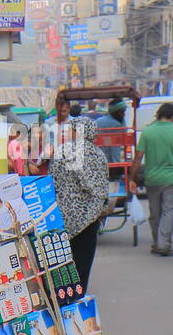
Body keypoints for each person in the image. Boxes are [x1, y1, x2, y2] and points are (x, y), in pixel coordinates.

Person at [48, 114, 111, 288]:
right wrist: (101, 207)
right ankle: (77, 300)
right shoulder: (97, 154)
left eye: (72, 130)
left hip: (63, 215)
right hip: (89, 217)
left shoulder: (66, 151)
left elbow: (53, 181)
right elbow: (97, 186)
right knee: (83, 263)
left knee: (64, 263)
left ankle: (65, 298)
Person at [133, 102, 173, 256]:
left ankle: (157, 243)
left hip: (152, 179)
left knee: (155, 212)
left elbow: (138, 157)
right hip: (171, 178)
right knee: (169, 211)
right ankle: (163, 244)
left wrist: (132, 178)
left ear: (158, 115)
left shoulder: (147, 132)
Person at [96, 98, 128, 165]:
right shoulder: (116, 124)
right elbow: (115, 149)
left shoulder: (98, 120)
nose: (123, 114)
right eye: (122, 112)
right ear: (115, 112)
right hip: (111, 161)